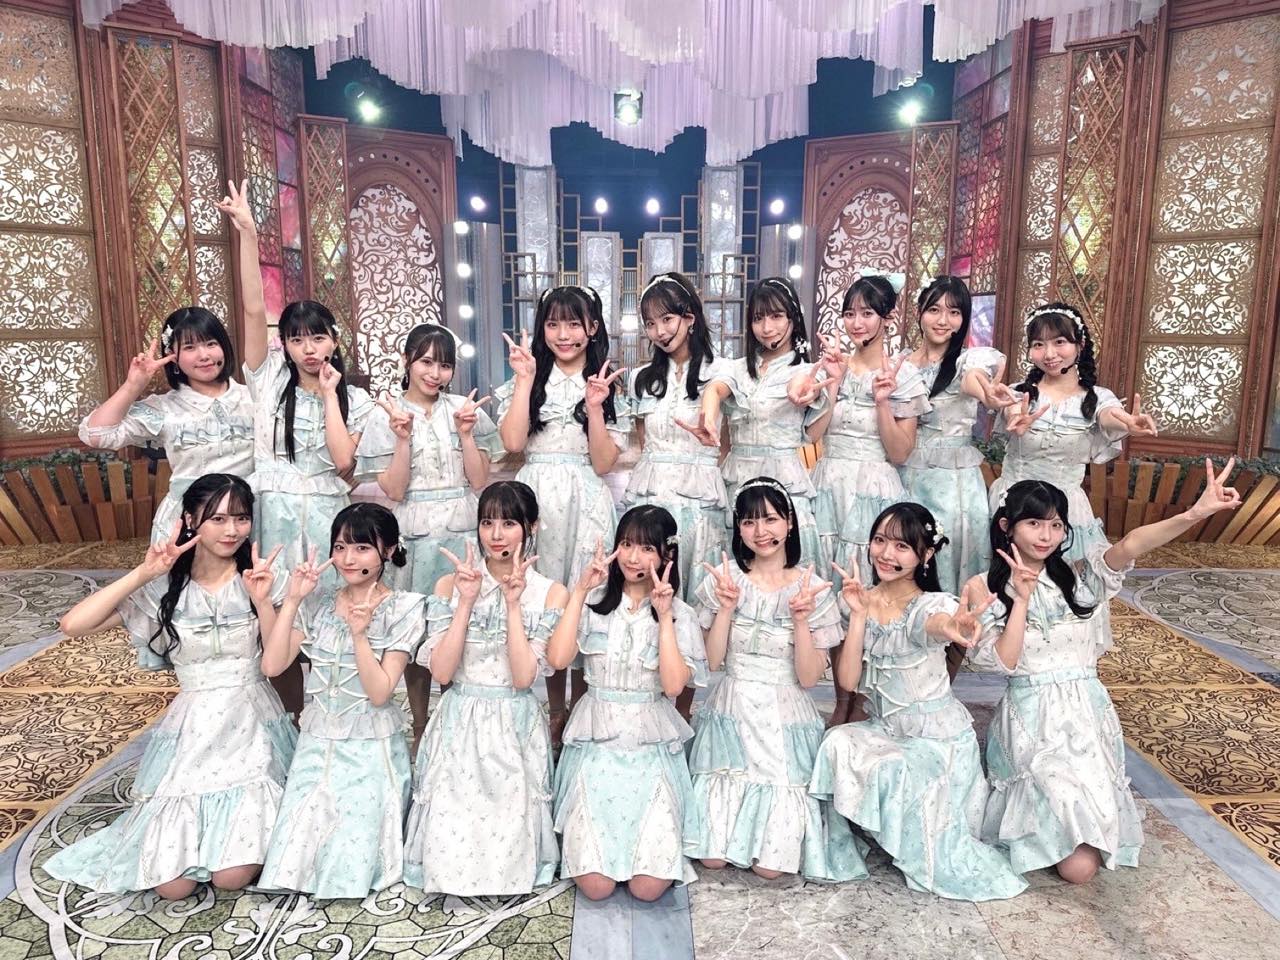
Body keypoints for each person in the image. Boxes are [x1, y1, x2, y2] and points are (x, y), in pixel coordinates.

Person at [971, 465, 1240, 884]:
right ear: (1007, 526)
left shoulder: (1080, 577)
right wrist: (1020, 601)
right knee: (1073, 863)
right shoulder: (982, 587)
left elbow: (1131, 543)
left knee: (1080, 870)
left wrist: (1195, 513)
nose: (1046, 535)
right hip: (1030, 720)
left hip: (1087, 717)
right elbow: (1003, 663)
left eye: (1056, 525)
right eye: (1034, 523)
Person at [45, 475, 294, 899]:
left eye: (241, 518)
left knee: (230, 877)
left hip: (252, 724)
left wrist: (262, 601)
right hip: (192, 729)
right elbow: (73, 625)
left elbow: (276, 661)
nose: (232, 530)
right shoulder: (164, 590)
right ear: (190, 520)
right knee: (172, 888)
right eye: (217, 519)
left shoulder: (263, 577)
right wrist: (144, 572)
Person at [809, 502, 1027, 901]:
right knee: (836, 742)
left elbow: (936, 624)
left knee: (895, 766)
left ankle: (908, 835)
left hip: (937, 740)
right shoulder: (859, 599)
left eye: (902, 546)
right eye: (879, 541)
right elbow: (849, 681)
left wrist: (954, 627)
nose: (886, 554)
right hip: (887, 729)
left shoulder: (932, 604)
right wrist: (857, 616)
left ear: (925, 555)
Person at [689, 477, 863, 881]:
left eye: (770, 519)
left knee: (770, 868)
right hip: (731, 707)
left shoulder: (812, 588)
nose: (760, 531)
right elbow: (711, 662)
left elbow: (808, 678)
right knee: (711, 858)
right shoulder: (724, 579)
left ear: (790, 522)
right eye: (749, 522)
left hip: (783, 715)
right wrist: (726, 608)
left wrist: (800, 620)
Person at [403, 481, 566, 895]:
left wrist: (513, 605)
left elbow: (524, 678)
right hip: (460, 717)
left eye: (509, 523)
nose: (496, 535)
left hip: (514, 722)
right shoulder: (449, 585)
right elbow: (442, 672)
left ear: (532, 526)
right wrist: (465, 602)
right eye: (487, 522)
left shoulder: (550, 593)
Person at [257, 504, 425, 899]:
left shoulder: (404, 608)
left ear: (388, 550)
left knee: (352, 853)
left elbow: (380, 693)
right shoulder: (319, 602)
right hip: (317, 742)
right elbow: (272, 664)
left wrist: (360, 635)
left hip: (370, 744)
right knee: (297, 854)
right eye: (340, 547)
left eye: (362, 548)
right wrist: (289, 601)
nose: (348, 559)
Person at [548, 506, 707, 902]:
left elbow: (673, 685)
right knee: (596, 887)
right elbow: (558, 659)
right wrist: (579, 591)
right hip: (596, 742)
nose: (634, 558)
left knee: (648, 888)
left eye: (647, 548)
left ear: (667, 555)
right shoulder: (592, 604)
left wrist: (664, 617)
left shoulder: (682, 616)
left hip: (649, 743)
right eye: (626, 544)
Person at [496, 285, 629, 746]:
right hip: (536, 498)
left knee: (583, 595)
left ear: (593, 328)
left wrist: (594, 407)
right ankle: (555, 711)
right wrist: (523, 381)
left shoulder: (607, 382)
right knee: (548, 596)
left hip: (585, 497)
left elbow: (604, 463)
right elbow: (514, 443)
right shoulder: (529, 375)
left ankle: (584, 706)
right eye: (553, 324)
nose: (564, 334)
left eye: (574, 323)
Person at [357, 322, 498, 748]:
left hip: (462, 530)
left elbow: (480, 480)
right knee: (415, 631)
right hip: (413, 534)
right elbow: (394, 490)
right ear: (407, 361)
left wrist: (467, 434)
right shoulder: (386, 416)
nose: (435, 374)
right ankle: (420, 725)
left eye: (444, 365)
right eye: (426, 362)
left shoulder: (464, 409)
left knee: (461, 627)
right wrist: (401, 439)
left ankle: (457, 722)